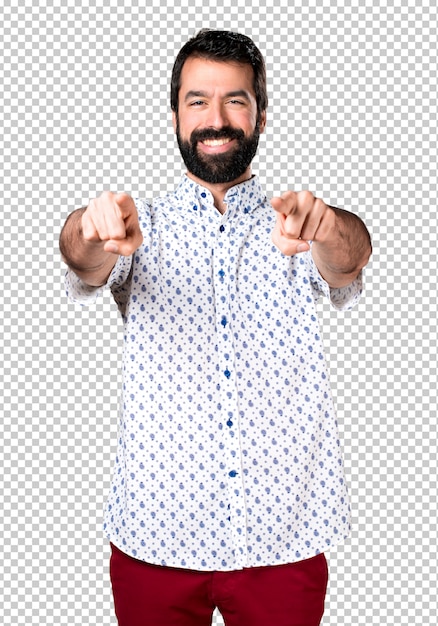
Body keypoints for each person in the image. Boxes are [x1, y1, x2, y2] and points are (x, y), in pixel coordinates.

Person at [60, 29, 371, 626]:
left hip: (284, 537)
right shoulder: (137, 223)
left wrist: (327, 227)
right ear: (174, 113)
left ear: (260, 112)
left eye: (236, 100)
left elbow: (348, 263)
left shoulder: (298, 222)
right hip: (155, 535)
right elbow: (85, 262)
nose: (217, 118)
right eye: (198, 101)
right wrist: (89, 226)